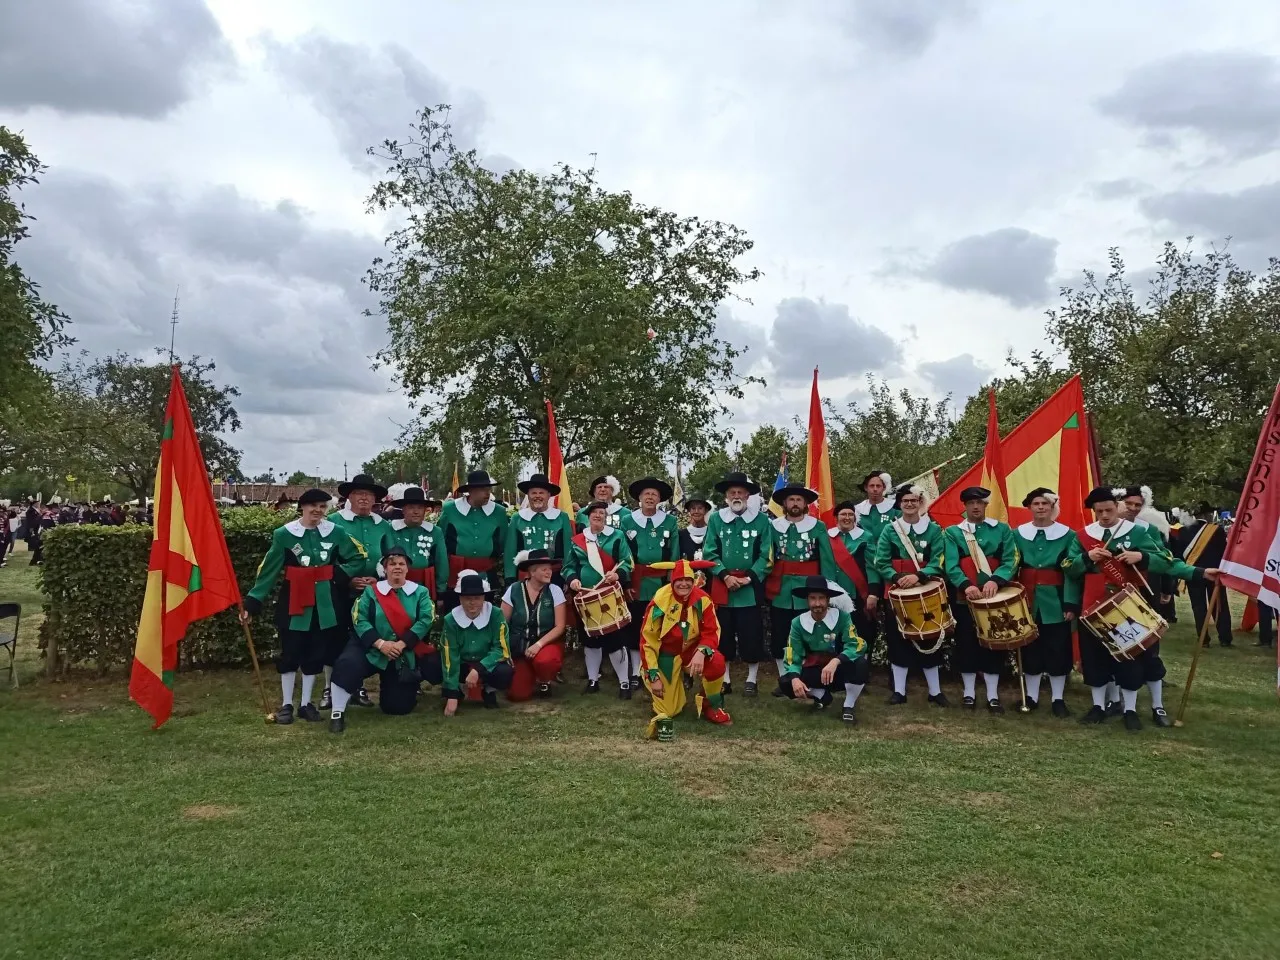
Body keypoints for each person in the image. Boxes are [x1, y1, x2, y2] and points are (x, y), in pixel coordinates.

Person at [1069, 486, 1219, 731]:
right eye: (1099, 511)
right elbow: (1069, 567)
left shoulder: (1140, 532)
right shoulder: (1083, 536)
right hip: (1093, 606)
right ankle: (1098, 707)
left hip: (1130, 605)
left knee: (1132, 657)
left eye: (1109, 510)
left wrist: (1143, 557)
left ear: (1118, 507)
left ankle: (1129, 710)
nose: (1104, 516)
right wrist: (1087, 558)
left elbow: (1168, 561)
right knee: (1095, 658)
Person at [241, 488, 365, 724]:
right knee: (291, 652)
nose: (318, 511)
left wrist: (339, 574)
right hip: (294, 601)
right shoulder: (284, 534)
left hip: (325, 603)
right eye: (313, 506)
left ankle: (306, 704)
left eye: (322, 507)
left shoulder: (335, 532)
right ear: (302, 507)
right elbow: (269, 569)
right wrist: (253, 601)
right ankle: (287, 704)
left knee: (316, 654)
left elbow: (359, 556)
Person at [326, 545, 436, 733]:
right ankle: (337, 712)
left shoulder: (421, 593)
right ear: (385, 568)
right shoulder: (371, 592)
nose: (397, 567)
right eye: (392, 564)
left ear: (408, 568)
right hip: (371, 648)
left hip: (401, 652)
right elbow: (358, 618)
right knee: (347, 664)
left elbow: (426, 619)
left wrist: (401, 644)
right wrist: (381, 644)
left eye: (402, 563)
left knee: (398, 708)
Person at [942, 486, 1019, 713]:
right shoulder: (953, 533)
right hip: (966, 597)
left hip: (995, 596)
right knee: (966, 643)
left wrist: (997, 580)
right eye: (971, 503)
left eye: (980, 503)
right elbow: (950, 564)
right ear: (964, 506)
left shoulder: (1002, 530)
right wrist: (966, 586)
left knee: (994, 642)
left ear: (986, 505)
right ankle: (968, 693)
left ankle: (993, 695)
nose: (975, 507)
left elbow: (1011, 559)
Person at [873, 483, 949, 707]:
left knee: (930, 637)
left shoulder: (934, 530)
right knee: (897, 640)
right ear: (900, 504)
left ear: (920, 503)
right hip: (897, 592)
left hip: (926, 590)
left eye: (913, 501)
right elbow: (881, 561)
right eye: (905, 501)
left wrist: (919, 576)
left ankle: (935, 691)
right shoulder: (890, 530)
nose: (909, 504)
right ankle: (899, 691)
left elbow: (939, 560)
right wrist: (897, 578)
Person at [639, 559, 732, 731]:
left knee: (717, 661)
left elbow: (712, 631)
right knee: (670, 711)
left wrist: (702, 651)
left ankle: (710, 704)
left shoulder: (703, 599)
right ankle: (669, 685)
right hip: (666, 655)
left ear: (693, 581)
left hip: (692, 651)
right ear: (672, 581)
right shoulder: (660, 601)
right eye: (679, 580)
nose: (683, 584)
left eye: (687, 580)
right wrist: (653, 675)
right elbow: (648, 641)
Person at [703, 472, 774, 695]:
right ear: (726, 496)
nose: (736, 496)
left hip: (749, 587)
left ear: (747, 495)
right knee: (723, 634)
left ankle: (752, 679)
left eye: (740, 492)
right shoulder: (715, 519)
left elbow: (767, 555)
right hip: (722, 585)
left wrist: (747, 578)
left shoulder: (762, 521)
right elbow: (709, 551)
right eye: (732, 492)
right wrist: (724, 575)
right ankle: (725, 679)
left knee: (751, 634)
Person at [1013, 488, 1082, 717]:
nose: (1041, 507)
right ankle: (1031, 697)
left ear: (1053, 507)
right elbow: (1011, 565)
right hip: (1027, 600)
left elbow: (1071, 572)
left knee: (1057, 648)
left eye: (1045, 503)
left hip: (1056, 599)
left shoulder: (1068, 535)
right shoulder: (1018, 534)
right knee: (1030, 647)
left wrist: (1070, 604)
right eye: (1036, 503)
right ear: (1029, 507)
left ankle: (1057, 698)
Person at [325, 473, 391, 710]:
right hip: (340, 591)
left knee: (363, 639)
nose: (364, 498)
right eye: (358, 494)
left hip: (373, 593)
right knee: (335, 638)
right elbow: (326, 559)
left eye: (368, 494)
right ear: (349, 496)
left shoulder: (383, 525)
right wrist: (348, 580)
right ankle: (329, 689)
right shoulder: (333, 522)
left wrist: (379, 578)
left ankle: (358, 685)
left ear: (375, 499)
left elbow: (390, 557)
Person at [563, 500, 635, 694]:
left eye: (601, 512)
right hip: (586, 596)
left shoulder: (617, 536)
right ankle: (593, 681)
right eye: (594, 512)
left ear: (606, 516)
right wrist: (573, 580)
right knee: (590, 640)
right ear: (588, 516)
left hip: (610, 595)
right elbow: (568, 566)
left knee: (616, 641)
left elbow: (627, 562)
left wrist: (618, 574)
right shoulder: (578, 540)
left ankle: (624, 683)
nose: (597, 515)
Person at [767, 484, 833, 690]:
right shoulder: (773, 526)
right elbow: (767, 556)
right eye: (791, 500)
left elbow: (827, 560)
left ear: (805, 504)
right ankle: (785, 678)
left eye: (799, 500)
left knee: (809, 632)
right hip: (781, 589)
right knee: (780, 634)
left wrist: (826, 589)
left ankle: (808, 677)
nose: (795, 503)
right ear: (784, 504)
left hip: (809, 589)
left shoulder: (818, 526)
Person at [780, 576, 869, 723]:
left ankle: (848, 705)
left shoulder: (842, 617)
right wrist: (795, 678)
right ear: (807, 600)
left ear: (828, 600)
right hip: (816, 670)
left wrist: (836, 661)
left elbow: (857, 644)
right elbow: (792, 654)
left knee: (860, 664)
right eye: (813, 598)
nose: (817, 603)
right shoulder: (797, 623)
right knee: (786, 682)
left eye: (821, 598)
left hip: (838, 671)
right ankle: (821, 695)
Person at [619, 476, 680, 690]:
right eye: (646, 494)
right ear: (639, 498)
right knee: (637, 627)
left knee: (660, 626)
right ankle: (637, 671)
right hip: (637, 582)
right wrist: (626, 583)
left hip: (661, 583)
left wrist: (673, 582)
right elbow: (624, 554)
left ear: (660, 499)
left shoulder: (670, 522)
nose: (650, 497)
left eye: (654, 494)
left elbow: (674, 553)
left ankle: (658, 670)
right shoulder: (627, 521)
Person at [422, 573, 514, 714]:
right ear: (460, 599)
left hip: (486, 665)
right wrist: (451, 694)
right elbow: (449, 654)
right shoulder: (450, 620)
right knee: (431, 664)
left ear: (483, 598)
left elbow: (502, 649)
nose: (472, 602)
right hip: (461, 663)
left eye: (477, 598)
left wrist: (478, 669)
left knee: (504, 671)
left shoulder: (496, 615)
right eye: (467, 598)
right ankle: (456, 690)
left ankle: (488, 689)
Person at [500, 549, 567, 700]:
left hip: (545, 644)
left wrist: (539, 645)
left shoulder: (555, 590)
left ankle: (544, 679)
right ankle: (526, 674)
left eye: (550, 569)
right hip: (519, 646)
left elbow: (560, 626)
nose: (549, 572)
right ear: (532, 571)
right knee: (517, 695)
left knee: (546, 661)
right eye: (544, 569)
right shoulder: (514, 589)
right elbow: (502, 623)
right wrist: (504, 650)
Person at [438, 470, 508, 610]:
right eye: (482, 489)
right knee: (455, 611)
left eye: (489, 488)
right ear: (470, 490)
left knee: (483, 611)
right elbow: (441, 539)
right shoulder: (450, 509)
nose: (487, 493)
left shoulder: (499, 512)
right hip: (456, 573)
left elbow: (503, 541)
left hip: (485, 573)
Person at [821, 498, 881, 649]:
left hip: (859, 594)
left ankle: (860, 667)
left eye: (850, 514)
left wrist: (873, 593)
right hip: (833, 593)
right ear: (836, 517)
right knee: (835, 633)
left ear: (855, 517)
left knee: (860, 633)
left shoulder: (865, 537)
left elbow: (872, 567)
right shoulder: (827, 537)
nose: (847, 517)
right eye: (843, 514)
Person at [1173, 502, 1232, 647]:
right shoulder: (1216, 530)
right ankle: (1225, 638)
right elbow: (1223, 552)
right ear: (1207, 515)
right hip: (1213, 573)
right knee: (1219, 606)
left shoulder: (1183, 531)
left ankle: (1203, 639)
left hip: (1194, 573)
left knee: (1198, 607)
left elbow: (1179, 554)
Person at [504, 473, 576, 582]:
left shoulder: (562, 517)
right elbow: (510, 551)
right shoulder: (517, 518)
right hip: (526, 576)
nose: (537, 496)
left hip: (555, 576)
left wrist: (568, 576)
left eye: (541, 493)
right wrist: (510, 577)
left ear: (549, 495)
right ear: (528, 495)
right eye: (533, 493)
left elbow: (568, 551)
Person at [383, 486, 449, 600]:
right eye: (411, 507)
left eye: (420, 507)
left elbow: (441, 563)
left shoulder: (435, 532)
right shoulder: (390, 529)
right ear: (403, 510)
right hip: (395, 587)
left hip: (424, 587)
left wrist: (440, 592)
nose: (416, 511)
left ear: (425, 510)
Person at [855, 471, 899, 544]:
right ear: (866, 488)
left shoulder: (895, 507)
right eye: (872, 486)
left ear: (884, 488)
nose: (875, 489)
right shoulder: (857, 510)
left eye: (878, 486)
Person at [678, 494, 713, 561]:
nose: (696, 511)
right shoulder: (681, 534)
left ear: (705, 511)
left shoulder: (712, 533)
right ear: (689, 511)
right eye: (693, 508)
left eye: (700, 508)